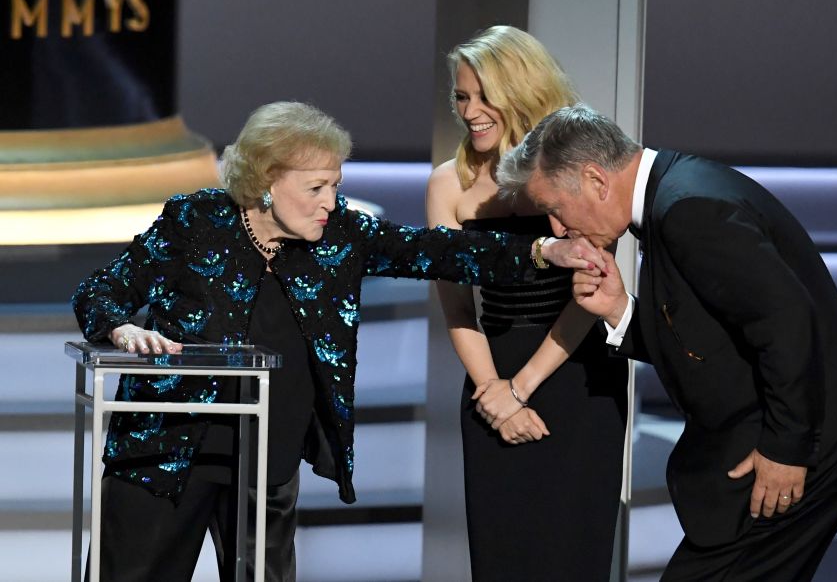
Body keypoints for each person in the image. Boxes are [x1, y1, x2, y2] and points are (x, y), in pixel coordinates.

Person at [71, 101, 597, 581]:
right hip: (163, 454)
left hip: (265, 464)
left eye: (335, 186)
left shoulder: (343, 234)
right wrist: (123, 327)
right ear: (267, 180)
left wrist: (542, 253)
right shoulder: (195, 220)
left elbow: (437, 251)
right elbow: (101, 290)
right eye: (317, 187)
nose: (330, 202)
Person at [495, 103, 837, 581]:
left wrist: (788, 449)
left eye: (554, 210)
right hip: (805, 430)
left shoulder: (690, 209)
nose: (557, 230)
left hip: (817, 438)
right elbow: (710, 343)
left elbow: (787, 321)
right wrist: (620, 311)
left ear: (596, 180)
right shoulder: (676, 194)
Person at [426, 26, 628, 580]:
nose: (470, 112)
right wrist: (494, 392)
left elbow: (591, 293)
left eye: (483, 95)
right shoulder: (449, 183)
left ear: (522, 90)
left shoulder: (578, 170)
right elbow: (457, 306)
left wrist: (521, 388)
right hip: (490, 379)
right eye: (461, 97)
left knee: (571, 554)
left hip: (576, 374)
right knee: (502, 555)